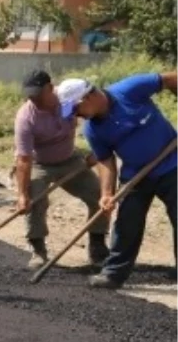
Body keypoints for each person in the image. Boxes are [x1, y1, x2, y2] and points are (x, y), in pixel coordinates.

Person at [57, 72, 178, 289]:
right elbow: (105, 161)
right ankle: (113, 274)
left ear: (87, 98)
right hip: (135, 176)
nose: (76, 116)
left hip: (172, 165)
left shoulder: (131, 89)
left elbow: (170, 79)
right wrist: (106, 193)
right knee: (126, 224)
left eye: (75, 110)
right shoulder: (93, 130)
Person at [11, 70, 109, 270]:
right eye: (30, 96)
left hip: (70, 159)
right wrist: (22, 195)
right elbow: (23, 159)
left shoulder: (69, 99)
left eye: (38, 94)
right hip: (39, 164)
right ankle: (38, 250)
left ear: (50, 88)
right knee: (34, 201)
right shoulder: (26, 117)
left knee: (100, 195)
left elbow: (95, 116)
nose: (34, 100)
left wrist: (97, 151)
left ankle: (97, 246)